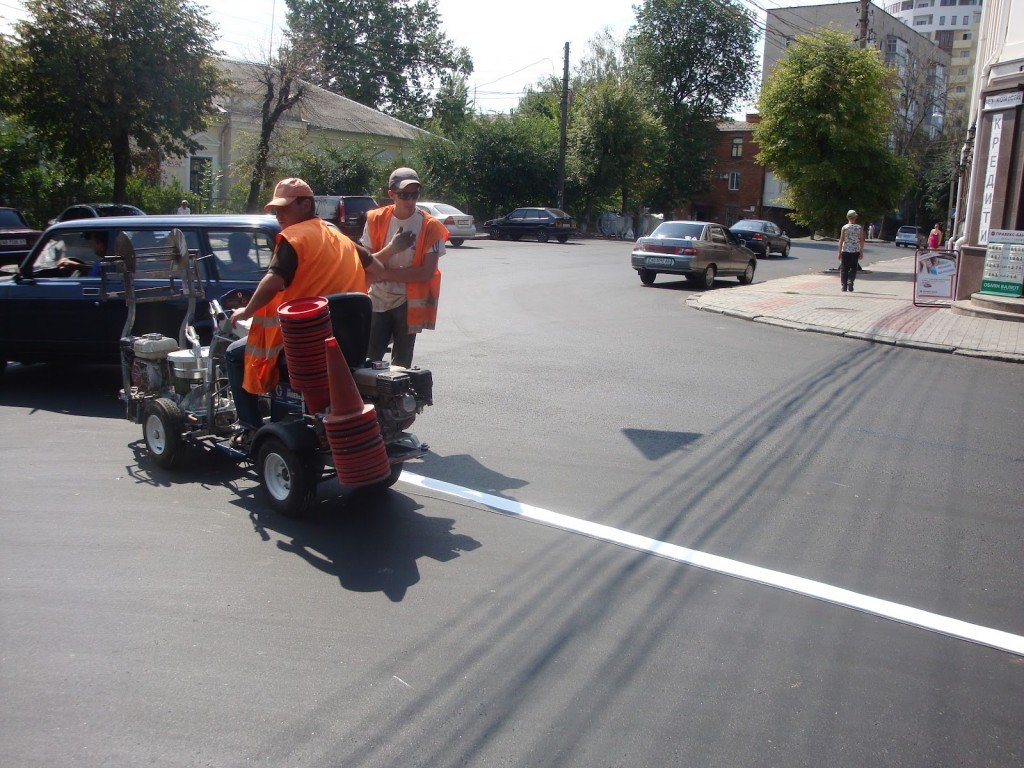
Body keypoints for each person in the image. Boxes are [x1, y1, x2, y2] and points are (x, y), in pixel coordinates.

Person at [225, 177, 409, 445]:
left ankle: (250, 428)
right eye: (275, 209)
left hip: (301, 343)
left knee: (232, 354)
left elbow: (273, 280)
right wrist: (390, 250)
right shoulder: (338, 236)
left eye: (284, 208)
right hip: (344, 345)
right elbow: (376, 269)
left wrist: (246, 310)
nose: (278, 214)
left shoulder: (293, 238)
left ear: (305, 205)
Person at [361, 167, 448, 368]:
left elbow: (426, 272)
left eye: (414, 195)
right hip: (377, 299)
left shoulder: (430, 226)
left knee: (401, 365)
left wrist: (383, 272)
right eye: (404, 195)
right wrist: (392, 248)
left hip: (408, 303)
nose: (410, 201)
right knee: (369, 359)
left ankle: (395, 399)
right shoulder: (374, 219)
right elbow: (366, 265)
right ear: (391, 194)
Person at [837, 209, 864, 292]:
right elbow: (861, 240)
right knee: (853, 268)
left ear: (847, 217)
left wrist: (839, 252)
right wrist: (861, 251)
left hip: (845, 250)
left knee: (844, 269)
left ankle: (844, 286)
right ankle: (850, 281)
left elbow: (841, 240)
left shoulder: (844, 227)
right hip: (855, 251)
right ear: (855, 218)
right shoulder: (859, 228)